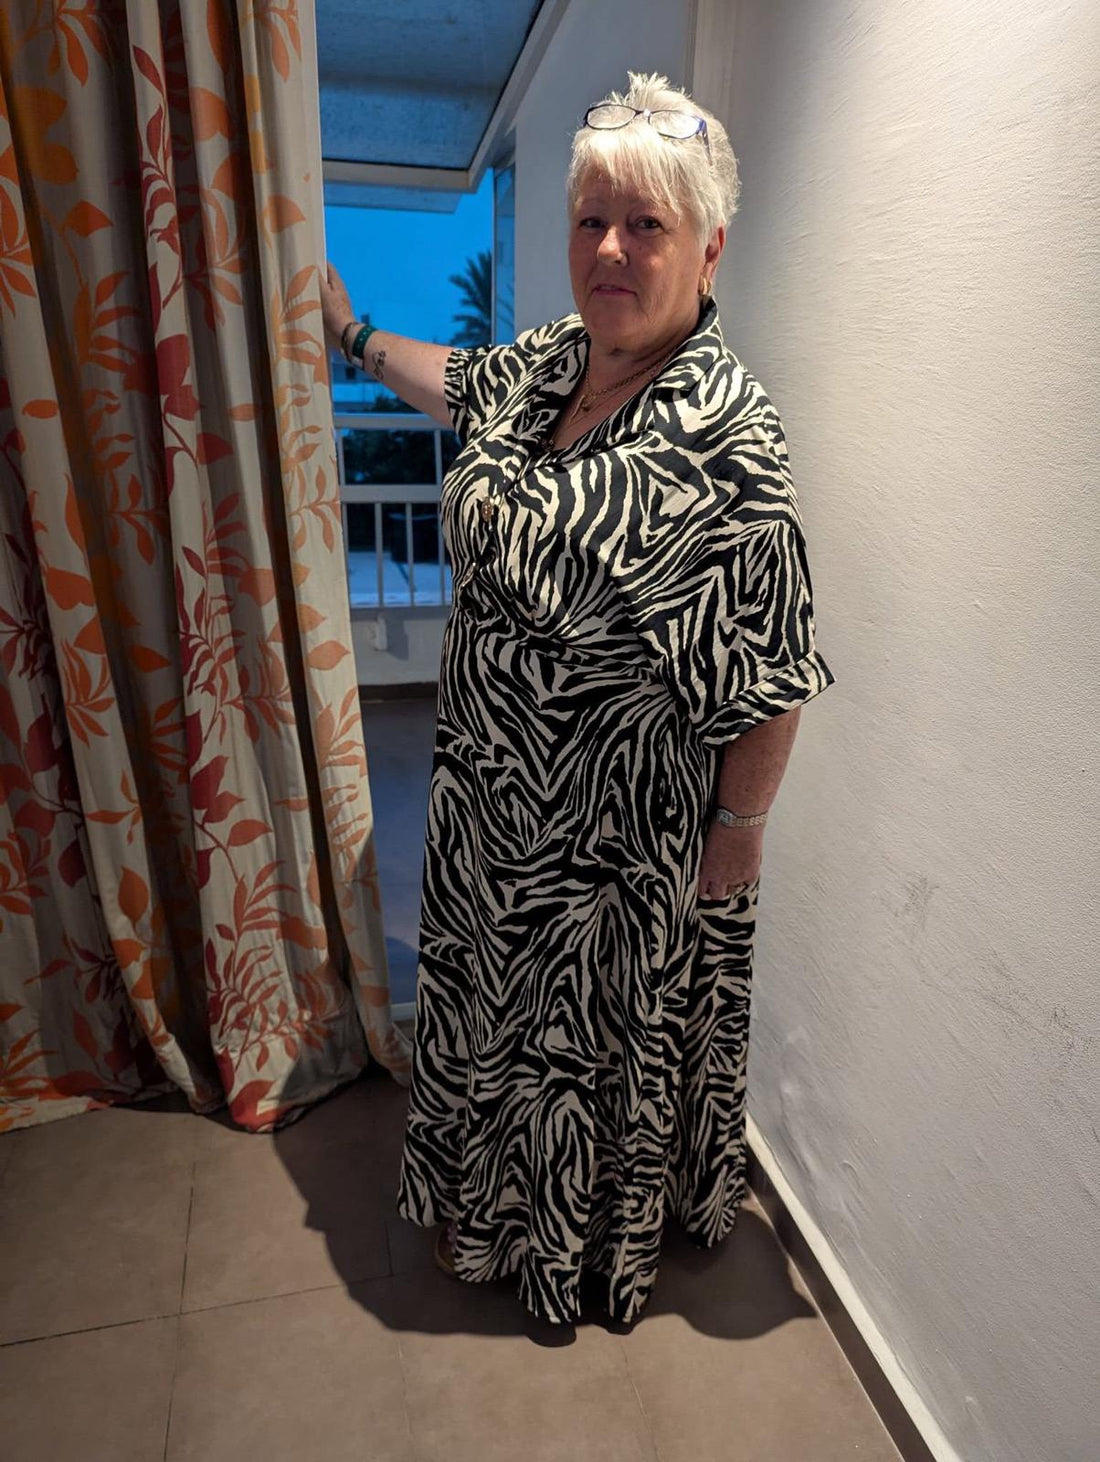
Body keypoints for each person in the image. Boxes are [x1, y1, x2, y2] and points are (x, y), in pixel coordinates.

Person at [320, 71, 835, 1328]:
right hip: (488, 805)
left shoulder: (727, 441)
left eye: (644, 224)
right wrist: (353, 337)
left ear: (707, 248)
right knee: (487, 1018)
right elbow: (461, 381)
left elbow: (771, 673)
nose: (608, 248)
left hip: (607, 853)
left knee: (568, 1059)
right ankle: (482, 1201)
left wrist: (735, 838)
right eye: (590, 219)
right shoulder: (558, 360)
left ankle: (560, 1251)